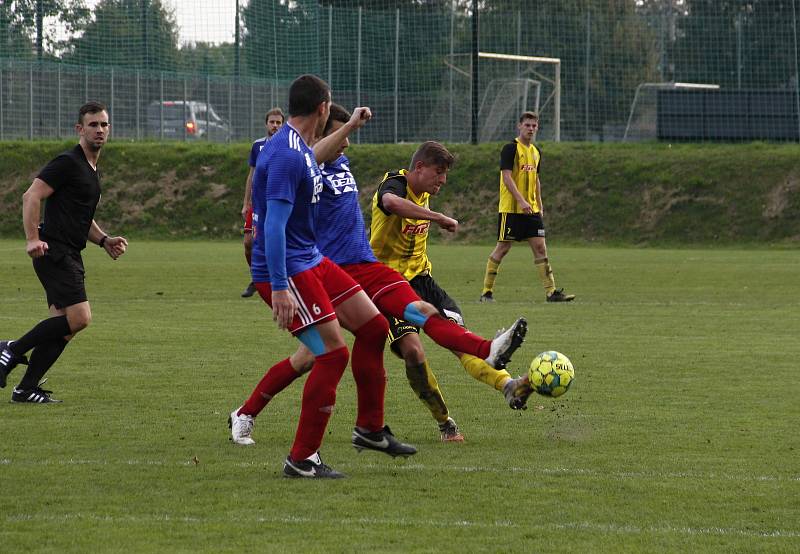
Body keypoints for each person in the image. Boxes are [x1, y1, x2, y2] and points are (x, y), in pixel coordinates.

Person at [229, 105, 529, 447]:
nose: (345, 144)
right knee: (313, 356)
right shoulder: (302, 165)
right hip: (329, 272)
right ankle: (248, 415)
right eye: (338, 136)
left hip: (367, 266)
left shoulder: (338, 162)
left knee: (419, 312)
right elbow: (300, 172)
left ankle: (486, 352)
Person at [246, 75, 416, 479]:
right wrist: (282, 287)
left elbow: (315, 152)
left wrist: (351, 124)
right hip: (288, 266)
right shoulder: (287, 155)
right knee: (333, 354)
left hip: (312, 258)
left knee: (375, 326)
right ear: (323, 107)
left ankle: (370, 429)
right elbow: (272, 228)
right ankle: (302, 458)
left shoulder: (296, 145)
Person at [368, 141, 536, 425]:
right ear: (419, 167)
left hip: (423, 282)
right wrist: (438, 218)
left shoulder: (424, 192)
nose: (443, 180)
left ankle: (509, 386)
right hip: (389, 285)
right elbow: (390, 204)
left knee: (460, 340)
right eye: (439, 172)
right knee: (413, 351)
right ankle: (444, 421)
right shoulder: (394, 184)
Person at [0, 101, 128, 402]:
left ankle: (25, 388)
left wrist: (103, 239)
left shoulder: (89, 168)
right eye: (93, 124)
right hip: (53, 250)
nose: (100, 130)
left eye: (104, 124)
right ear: (79, 129)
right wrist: (32, 238)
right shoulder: (68, 162)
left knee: (64, 328)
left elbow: (79, 217)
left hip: (70, 251)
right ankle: (11, 348)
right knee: (80, 317)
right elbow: (31, 195)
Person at [479, 111, 575, 303]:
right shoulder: (510, 149)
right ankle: (486, 292)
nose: (531, 129)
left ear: (537, 127)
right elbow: (506, 177)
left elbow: (536, 179)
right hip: (511, 209)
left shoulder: (536, 152)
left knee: (540, 248)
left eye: (534, 125)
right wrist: (521, 201)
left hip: (531, 210)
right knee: (503, 248)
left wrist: (539, 203)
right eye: (527, 125)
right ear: (519, 126)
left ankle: (551, 292)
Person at [241, 107, 285, 298]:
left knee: (277, 241)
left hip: (277, 203)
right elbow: (251, 176)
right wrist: (246, 203)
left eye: (278, 122)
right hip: (257, 203)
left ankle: (280, 280)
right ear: (266, 124)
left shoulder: (287, 146)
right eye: (272, 122)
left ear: (283, 125)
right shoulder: (257, 146)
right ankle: (256, 278)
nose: (275, 126)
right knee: (249, 242)